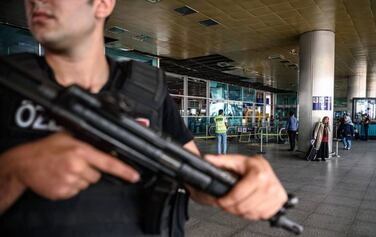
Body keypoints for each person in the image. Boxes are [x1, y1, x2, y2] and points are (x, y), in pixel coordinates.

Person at [0, 1, 288, 236]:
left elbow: (190, 177)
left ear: (102, 4)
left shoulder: (148, 88)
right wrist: (14, 170)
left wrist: (237, 184)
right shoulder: (9, 82)